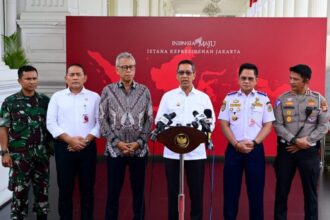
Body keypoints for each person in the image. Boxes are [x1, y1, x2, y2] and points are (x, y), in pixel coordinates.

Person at [155, 59, 215, 220]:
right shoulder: (168, 97)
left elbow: (212, 123)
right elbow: (159, 121)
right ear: (176, 75)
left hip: (196, 154)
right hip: (173, 153)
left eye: (188, 72)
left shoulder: (203, 98)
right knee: (173, 192)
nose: (185, 76)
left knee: (196, 194)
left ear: (194, 75)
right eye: (181, 72)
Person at [99, 52, 153, 220]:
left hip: (139, 151)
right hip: (115, 151)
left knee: (138, 193)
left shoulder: (144, 91)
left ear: (135, 69)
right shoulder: (108, 91)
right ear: (117, 70)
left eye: (131, 67)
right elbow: (102, 118)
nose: (128, 70)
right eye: (124, 67)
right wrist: (116, 142)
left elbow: (149, 119)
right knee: (113, 193)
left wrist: (139, 142)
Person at [218, 63, 275, 220]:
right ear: (238, 79)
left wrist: (254, 143)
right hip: (233, 149)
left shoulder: (263, 99)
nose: (247, 81)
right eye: (243, 78)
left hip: (255, 150)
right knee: (230, 191)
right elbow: (224, 124)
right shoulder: (229, 98)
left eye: (250, 78)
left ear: (256, 80)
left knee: (256, 192)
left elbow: (268, 125)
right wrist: (236, 144)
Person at [273, 64, 329, 220]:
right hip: (287, 151)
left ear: (306, 81)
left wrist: (308, 141)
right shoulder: (281, 100)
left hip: (309, 152)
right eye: (290, 78)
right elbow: (277, 124)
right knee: (281, 192)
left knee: (310, 193)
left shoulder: (319, 100)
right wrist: (295, 141)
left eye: (295, 79)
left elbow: (324, 125)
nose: (291, 81)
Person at [46, 63, 100, 220]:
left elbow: (100, 123)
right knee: (65, 189)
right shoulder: (57, 97)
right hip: (64, 148)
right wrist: (70, 140)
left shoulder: (94, 97)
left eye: (78, 74)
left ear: (85, 78)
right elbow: (51, 122)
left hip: (87, 148)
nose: (75, 77)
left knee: (87, 189)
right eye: (72, 75)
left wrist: (84, 141)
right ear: (66, 78)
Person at [0, 65, 52, 220]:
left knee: (42, 194)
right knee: (19, 195)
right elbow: (3, 128)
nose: (32, 82)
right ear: (19, 80)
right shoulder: (10, 102)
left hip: (41, 156)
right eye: (28, 79)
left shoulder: (45, 101)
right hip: (19, 157)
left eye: (34, 78)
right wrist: (4, 153)